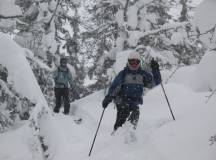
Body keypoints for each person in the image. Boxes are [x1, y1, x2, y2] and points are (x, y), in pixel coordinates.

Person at [102, 51, 161, 133]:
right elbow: (114, 87)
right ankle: (116, 134)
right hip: (122, 100)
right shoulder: (123, 74)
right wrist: (108, 98)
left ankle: (129, 134)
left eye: (136, 62)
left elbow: (156, 82)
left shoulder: (143, 74)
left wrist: (155, 69)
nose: (134, 65)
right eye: (132, 62)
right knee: (123, 115)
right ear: (128, 62)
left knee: (135, 113)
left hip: (135, 101)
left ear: (139, 63)